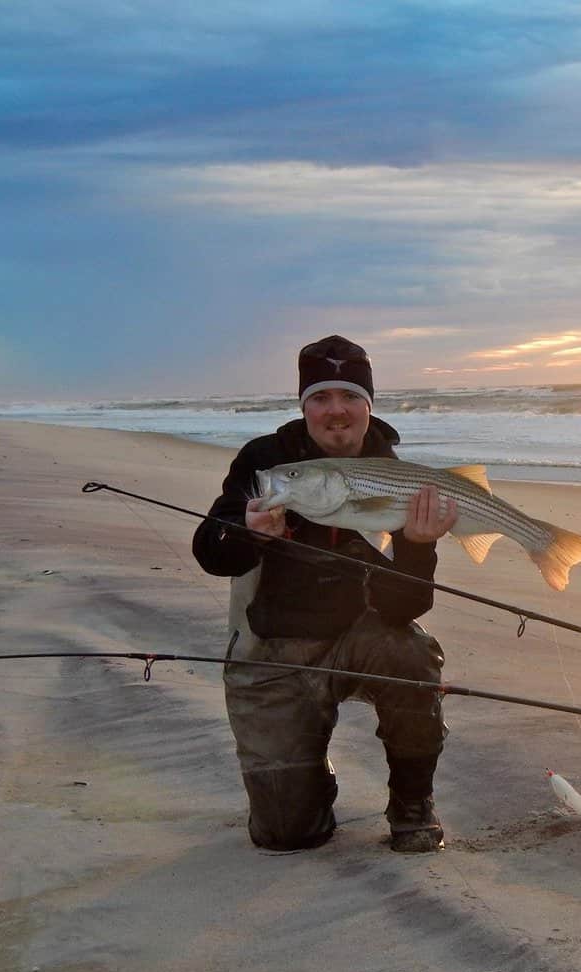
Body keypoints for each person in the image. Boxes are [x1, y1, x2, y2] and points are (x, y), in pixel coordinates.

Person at [192, 335, 459, 853]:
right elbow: (211, 551)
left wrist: (419, 550)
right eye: (320, 397)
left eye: (349, 396)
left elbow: (404, 608)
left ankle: (411, 803)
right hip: (272, 646)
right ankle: (308, 780)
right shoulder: (267, 463)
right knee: (287, 835)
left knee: (412, 652)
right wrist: (250, 534)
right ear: (303, 406)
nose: (336, 410)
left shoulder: (395, 476)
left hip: (358, 639)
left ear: (368, 405)